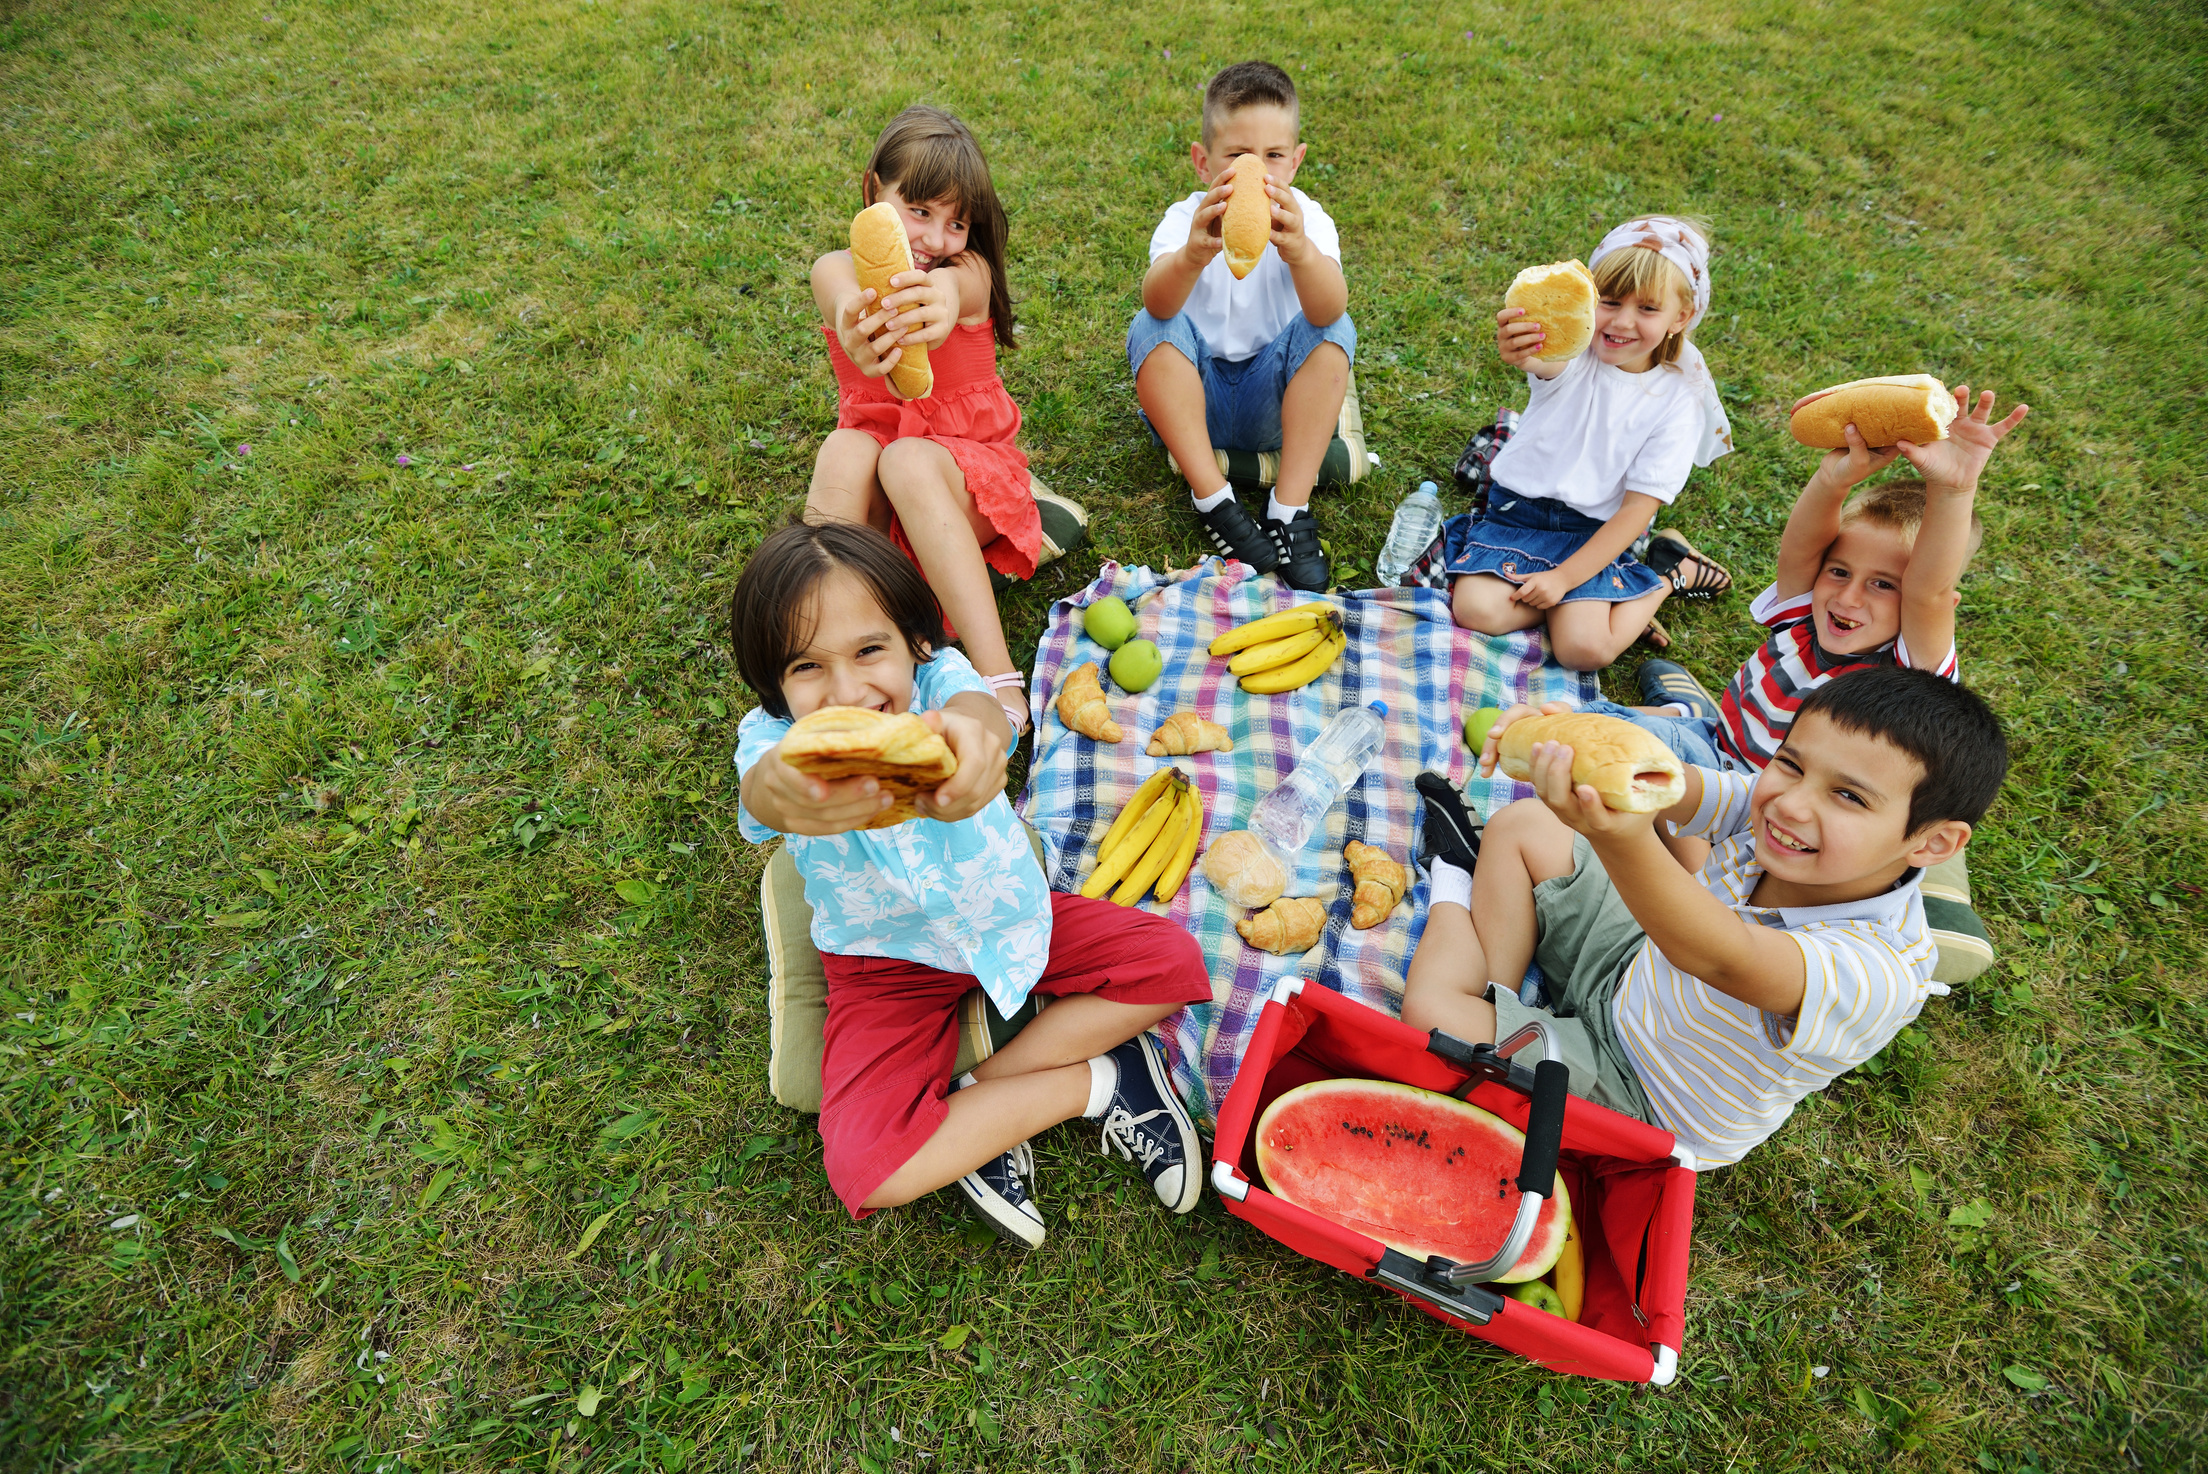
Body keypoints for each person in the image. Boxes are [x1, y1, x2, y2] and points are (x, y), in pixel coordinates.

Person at [730, 520, 1210, 1248]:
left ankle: (977, 1107)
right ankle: (1096, 1086)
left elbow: (981, 714)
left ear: (913, 644)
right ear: (774, 685)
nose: (848, 692)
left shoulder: (941, 680)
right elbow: (764, 793)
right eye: (806, 668)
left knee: (1174, 963)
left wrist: (976, 744)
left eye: (869, 650)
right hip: (882, 966)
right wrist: (787, 789)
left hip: (1012, 918)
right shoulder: (773, 743)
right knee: (866, 1169)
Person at [1403, 665, 2007, 1168]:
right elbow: (1667, 784)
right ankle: (1498, 998)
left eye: (1848, 796)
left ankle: (1454, 876)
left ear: (1931, 844)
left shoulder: (1878, 969)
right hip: (1633, 974)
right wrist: (1573, 737)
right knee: (1526, 824)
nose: (1792, 803)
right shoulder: (1772, 810)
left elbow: (1721, 954)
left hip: (1644, 1097)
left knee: (1432, 1014)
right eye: (1791, 764)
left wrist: (1622, 839)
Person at [1614, 385, 2029, 772]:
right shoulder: (1805, 617)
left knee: (1597, 751)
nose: (1847, 597)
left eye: (1884, 584)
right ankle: (1688, 711)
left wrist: (1954, 490)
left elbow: (1928, 591)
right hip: (1718, 742)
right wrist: (1833, 481)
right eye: (1839, 571)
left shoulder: (1906, 676)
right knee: (1591, 725)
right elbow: (1801, 550)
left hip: (1760, 810)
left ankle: (1682, 711)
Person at [807, 105, 1041, 735]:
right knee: (847, 451)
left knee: (903, 458)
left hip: (968, 487)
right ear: (872, 193)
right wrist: (858, 325)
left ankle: (998, 682)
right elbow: (836, 293)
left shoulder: (965, 274)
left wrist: (936, 302)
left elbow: (959, 289)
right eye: (919, 211)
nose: (935, 240)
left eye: (956, 222)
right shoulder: (836, 270)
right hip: (884, 513)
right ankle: (813, 646)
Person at [1440, 216, 1735, 671]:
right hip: (1517, 514)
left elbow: (1637, 510)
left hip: (1593, 533)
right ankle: (1605, 599)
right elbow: (1541, 360)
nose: (1622, 322)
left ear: (1682, 316)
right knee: (1476, 611)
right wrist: (1518, 345)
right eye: (1610, 302)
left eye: (1648, 309)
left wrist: (1563, 579)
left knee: (1585, 651)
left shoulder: (1680, 401)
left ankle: (1663, 575)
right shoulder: (1574, 354)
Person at [1130, 60, 1353, 591]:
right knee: (1150, 325)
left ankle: (1288, 509)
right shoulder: (1186, 218)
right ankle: (1214, 500)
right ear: (1203, 163)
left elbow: (1327, 311)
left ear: (1295, 162)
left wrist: (1299, 251)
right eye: (1237, 156)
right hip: (1192, 405)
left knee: (1335, 330)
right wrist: (1190, 255)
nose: (1258, 169)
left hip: (1273, 404)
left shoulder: (1311, 221)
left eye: (1273, 156)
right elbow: (1158, 303)